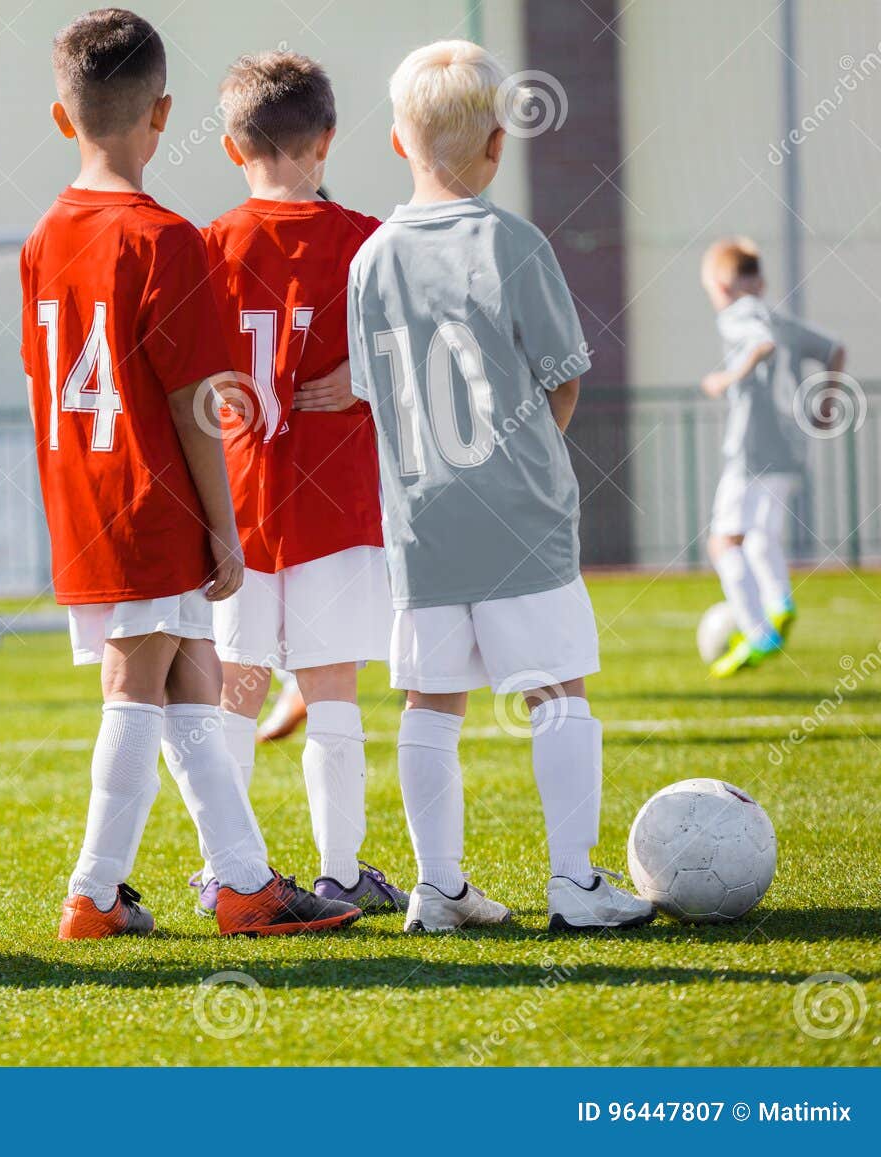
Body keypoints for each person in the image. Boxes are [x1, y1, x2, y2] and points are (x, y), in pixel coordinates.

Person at [23, 8, 360, 939]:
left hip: (84, 489)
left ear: (63, 118)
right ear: (162, 114)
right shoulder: (166, 237)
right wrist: (223, 525)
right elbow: (192, 403)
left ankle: (244, 882)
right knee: (138, 687)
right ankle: (92, 892)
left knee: (192, 685)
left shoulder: (43, 236)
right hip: (151, 497)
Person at [348, 39, 655, 932]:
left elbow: (376, 395)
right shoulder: (511, 240)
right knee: (557, 688)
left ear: (399, 142)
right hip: (520, 515)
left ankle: (436, 888)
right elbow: (562, 376)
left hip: (421, 520)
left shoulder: (369, 259)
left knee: (429, 701)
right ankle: (573, 883)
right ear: (496, 145)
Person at [198, 50, 405, 916]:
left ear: (229, 146)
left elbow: (183, 375)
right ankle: (339, 868)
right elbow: (415, 351)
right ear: (326, 138)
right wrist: (366, 372)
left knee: (237, 689)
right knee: (331, 689)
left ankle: (229, 871)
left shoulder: (207, 242)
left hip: (237, 500)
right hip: (333, 502)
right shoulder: (365, 240)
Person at [698, 236, 846, 678]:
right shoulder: (779, 317)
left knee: (723, 541)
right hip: (788, 446)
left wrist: (727, 378)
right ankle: (779, 601)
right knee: (761, 537)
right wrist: (826, 402)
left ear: (722, 285)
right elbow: (834, 349)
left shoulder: (737, 315)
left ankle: (758, 631)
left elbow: (759, 345)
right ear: (759, 281)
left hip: (750, 447)